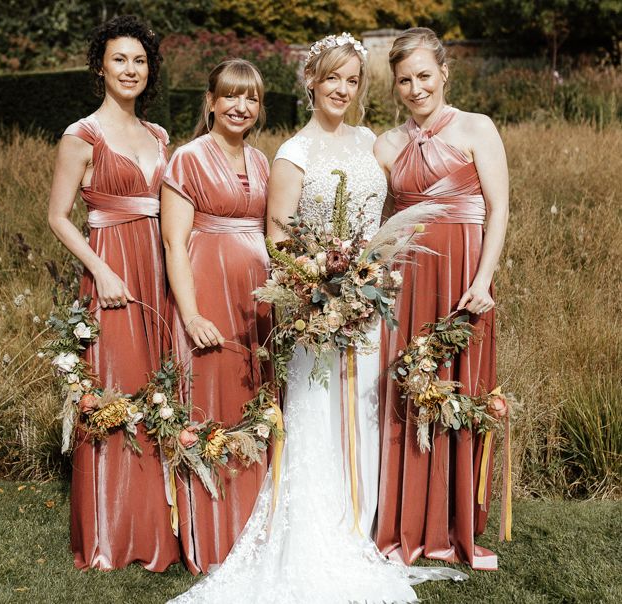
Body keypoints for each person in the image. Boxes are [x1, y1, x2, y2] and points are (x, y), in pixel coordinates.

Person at [166, 34, 465, 604]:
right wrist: (318, 291)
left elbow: (393, 212)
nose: (342, 89)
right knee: (321, 417)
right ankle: (323, 530)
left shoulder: (372, 143)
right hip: (319, 311)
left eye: (352, 80)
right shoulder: (292, 153)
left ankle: (365, 524)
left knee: (367, 413)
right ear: (311, 82)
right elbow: (277, 237)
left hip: (371, 304)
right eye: (333, 78)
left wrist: (370, 278)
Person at [47, 16, 180, 570]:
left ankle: (158, 529)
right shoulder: (81, 136)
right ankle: (110, 533)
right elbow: (57, 217)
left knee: (160, 384)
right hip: (114, 267)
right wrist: (100, 271)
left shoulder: (159, 137)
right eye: (119, 59)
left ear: (149, 71)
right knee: (116, 387)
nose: (130, 70)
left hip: (158, 266)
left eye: (139, 61)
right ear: (99, 65)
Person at [374, 27, 509, 571]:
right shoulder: (386, 143)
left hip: (464, 279)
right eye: (404, 79)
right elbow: (382, 219)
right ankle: (408, 524)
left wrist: (483, 280)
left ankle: (458, 527)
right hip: (409, 283)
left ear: (444, 74)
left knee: (460, 389)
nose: (415, 87)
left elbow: (498, 209)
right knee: (410, 390)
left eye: (424, 75)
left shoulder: (478, 128)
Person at [161, 59, 272, 575]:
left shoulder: (264, 161)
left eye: (249, 98)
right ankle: (212, 537)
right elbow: (174, 245)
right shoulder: (187, 159)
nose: (239, 106)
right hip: (209, 294)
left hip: (257, 305)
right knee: (213, 407)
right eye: (229, 96)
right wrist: (191, 314)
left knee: (254, 406)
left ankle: (255, 529)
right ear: (210, 101)